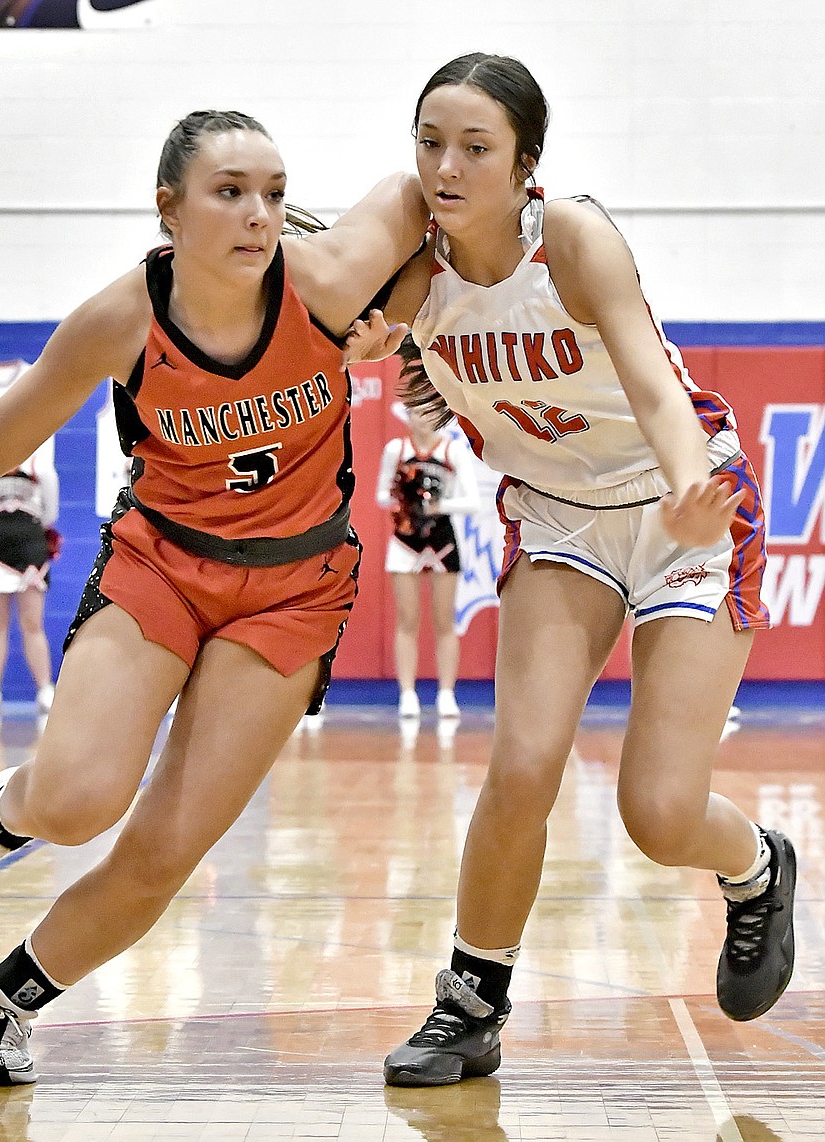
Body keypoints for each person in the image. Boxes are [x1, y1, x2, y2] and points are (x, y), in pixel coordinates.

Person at [0, 109, 427, 1085]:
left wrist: (402, 308)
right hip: (163, 564)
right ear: (167, 208)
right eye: (229, 191)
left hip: (294, 591)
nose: (259, 213)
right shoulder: (120, 319)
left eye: (272, 190)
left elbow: (413, 198)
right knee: (79, 795)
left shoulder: (321, 283)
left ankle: (5, 998)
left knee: (162, 850)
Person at [349, 54, 796, 1087]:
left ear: (526, 166)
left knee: (656, 812)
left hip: (680, 503)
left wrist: (687, 483)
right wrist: (346, 344)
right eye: (428, 142)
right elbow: (340, 334)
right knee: (521, 760)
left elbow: (650, 379)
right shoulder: (410, 266)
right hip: (557, 516)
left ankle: (756, 865)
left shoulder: (574, 239)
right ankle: (468, 1002)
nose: (445, 166)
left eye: (474, 147)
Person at [376, 336, 480, 720]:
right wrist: (402, 497)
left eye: (427, 409)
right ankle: (407, 694)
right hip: (404, 540)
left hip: (442, 539)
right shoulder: (395, 451)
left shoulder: (453, 451)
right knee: (407, 618)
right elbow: (381, 497)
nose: (421, 416)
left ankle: (447, 693)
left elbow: (471, 501)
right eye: (414, 409)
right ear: (406, 412)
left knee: (443, 619)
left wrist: (437, 504)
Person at [0, 442, 59, 714]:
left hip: (30, 549)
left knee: (32, 623)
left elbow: (50, 513)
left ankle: (45, 688)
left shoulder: (40, 467)